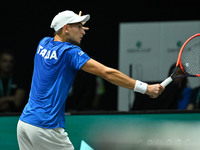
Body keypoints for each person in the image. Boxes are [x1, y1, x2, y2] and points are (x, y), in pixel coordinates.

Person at [17, 10, 164, 150]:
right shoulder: (70, 52)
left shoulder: (43, 43)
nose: (83, 31)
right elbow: (107, 73)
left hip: (25, 123)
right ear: (66, 28)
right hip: (46, 127)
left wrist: (74, 25)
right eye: (79, 27)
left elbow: (59, 35)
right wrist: (146, 88)